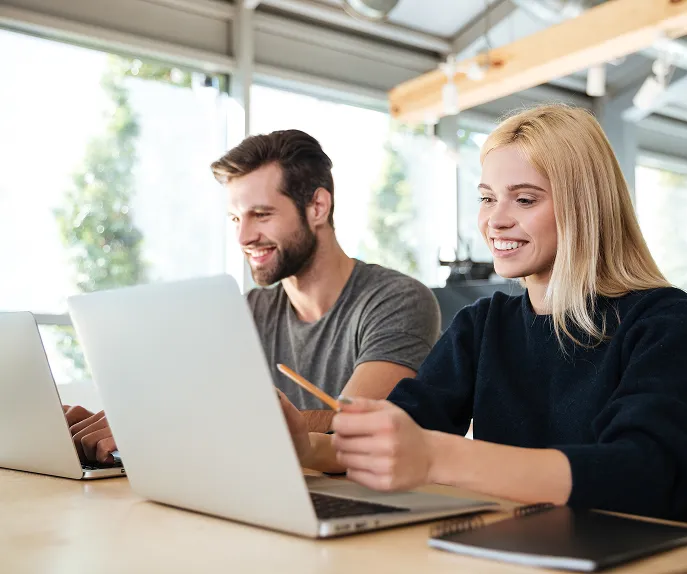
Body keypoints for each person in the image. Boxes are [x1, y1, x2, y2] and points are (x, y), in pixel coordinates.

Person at [278, 104, 687, 526]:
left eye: (525, 200)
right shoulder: (485, 323)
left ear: (585, 207)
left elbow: (645, 473)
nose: (495, 220)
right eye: (487, 198)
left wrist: (439, 457)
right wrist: (308, 446)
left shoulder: (666, 320)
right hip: (523, 546)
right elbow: (402, 431)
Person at [65, 129, 441, 464]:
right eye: (235, 218)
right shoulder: (248, 310)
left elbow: (350, 423)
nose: (244, 237)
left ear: (317, 207)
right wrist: (132, 419)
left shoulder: (398, 300)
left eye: (261, 215)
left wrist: (198, 423)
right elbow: (191, 403)